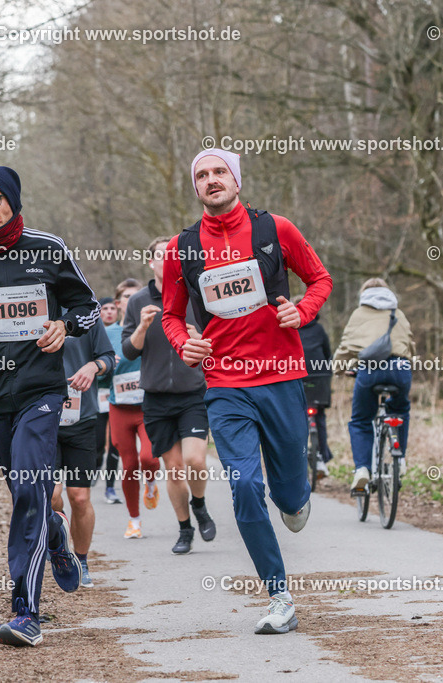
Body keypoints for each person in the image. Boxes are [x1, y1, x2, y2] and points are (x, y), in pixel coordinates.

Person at [161, 148, 332, 634]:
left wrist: (302, 311)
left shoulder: (275, 229)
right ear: (195, 187)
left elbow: (319, 279)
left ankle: (294, 498)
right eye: (202, 175)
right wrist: (184, 343)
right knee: (244, 485)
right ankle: (279, 596)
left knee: (289, 495)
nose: (211, 179)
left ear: (236, 181)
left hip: (281, 375)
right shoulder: (181, 248)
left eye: (220, 172)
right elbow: (172, 315)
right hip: (225, 383)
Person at [0, 166, 100, 647]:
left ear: (13, 201)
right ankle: (54, 534)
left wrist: (64, 326)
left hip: (41, 392)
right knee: (25, 494)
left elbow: (88, 307)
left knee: (32, 489)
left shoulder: (47, 248)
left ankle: (25, 612)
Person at [124, 238, 216, 554]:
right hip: (156, 397)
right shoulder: (138, 301)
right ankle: (185, 529)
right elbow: (128, 351)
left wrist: (199, 337)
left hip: (193, 393)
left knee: (195, 460)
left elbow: (218, 342)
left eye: (174, 255)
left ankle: (199, 504)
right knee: (174, 470)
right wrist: (142, 327)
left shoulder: (197, 295)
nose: (168, 259)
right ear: (151, 262)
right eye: (162, 255)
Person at [51, 312, 115, 588]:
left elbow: (109, 358)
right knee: (52, 495)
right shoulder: (34, 309)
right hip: (43, 420)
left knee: (79, 497)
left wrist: (93, 366)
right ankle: (59, 544)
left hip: (82, 419)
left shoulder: (87, 314)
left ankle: (81, 560)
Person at [333, 278, 413, 492]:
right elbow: (409, 344)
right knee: (400, 410)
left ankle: (362, 469)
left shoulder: (359, 314)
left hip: (370, 370)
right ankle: (400, 459)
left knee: (360, 420)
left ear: (364, 293)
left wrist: (339, 368)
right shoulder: (398, 313)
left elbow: (346, 346)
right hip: (400, 369)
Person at [104, 279, 161, 537]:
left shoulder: (153, 324)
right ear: (118, 304)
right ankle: (134, 520)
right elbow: (98, 371)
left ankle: (151, 481)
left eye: (136, 295)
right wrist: (106, 365)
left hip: (149, 404)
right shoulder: (107, 334)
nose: (132, 300)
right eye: (127, 297)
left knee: (149, 458)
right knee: (128, 466)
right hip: (120, 406)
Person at [295, 295, 334, 476]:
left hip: (297, 375)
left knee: (296, 417)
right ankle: (322, 457)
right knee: (319, 417)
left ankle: (297, 458)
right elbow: (327, 354)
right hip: (320, 376)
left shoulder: (289, 328)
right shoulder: (319, 329)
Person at [95, 296, 122, 503]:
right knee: (97, 443)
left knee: (115, 443)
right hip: (96, 394)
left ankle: (110, 488)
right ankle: (94, 469)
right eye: (105, 308)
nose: (109, 312)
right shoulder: (90, 332)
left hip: (118, 394)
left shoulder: (123, 333)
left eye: (113, 308)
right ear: (99, 312)